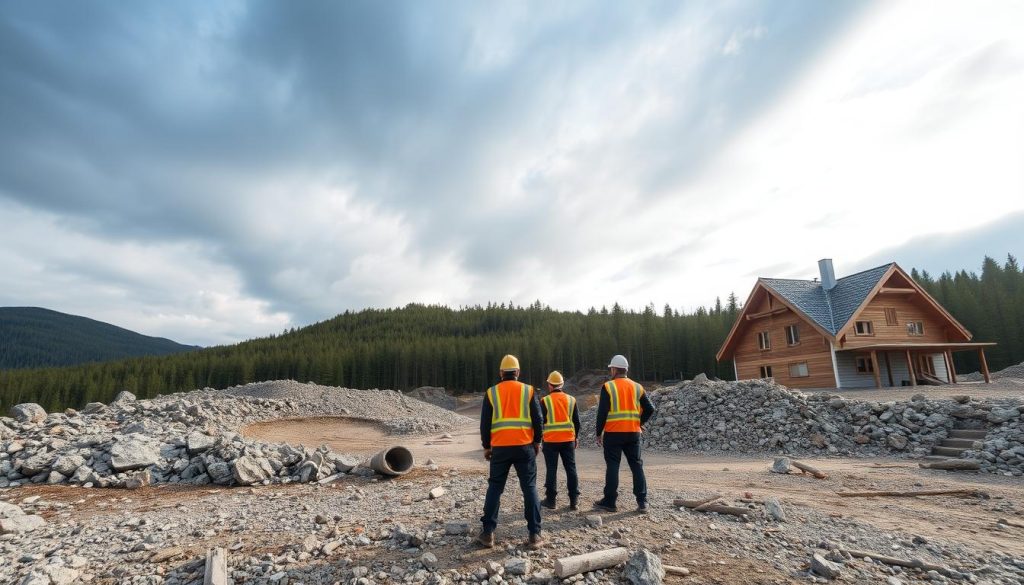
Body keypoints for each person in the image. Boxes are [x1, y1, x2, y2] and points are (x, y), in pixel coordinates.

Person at [476, 354, 545, 549]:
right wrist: (537, 441)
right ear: (517, 372)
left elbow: (485, 423)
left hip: (500, 449)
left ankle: (488, 533)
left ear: (500, 373)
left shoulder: (491, 393)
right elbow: (538, 419)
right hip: (525, 447)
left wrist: (486, 446)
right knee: (529, 488)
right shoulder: (529, 391)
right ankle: (534, 535)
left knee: (495, 487)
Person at [593, 354, 656, 513]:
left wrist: (598, 433)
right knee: (636, 465)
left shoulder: (608, 387)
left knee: (613, 465)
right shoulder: (637, 387)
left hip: (614, 433)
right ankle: (642, 502)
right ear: (626, 369)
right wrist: (639, 423)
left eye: (611, 369)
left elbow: (602, 413)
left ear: (614, 369)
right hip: (633, 433)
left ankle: (610, 502)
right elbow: (650, 409)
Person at [539, 370, 581, 511]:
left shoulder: (545, 401)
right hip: (568, 440)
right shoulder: (571, 400)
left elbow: (540, 422)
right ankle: (574, 501)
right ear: (562, 384)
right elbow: (577, 422)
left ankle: (551, 501)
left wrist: (538, 439)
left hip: (550, 441)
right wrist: (576, 438)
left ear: (550, 385)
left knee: (552, 469)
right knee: (571, 468)